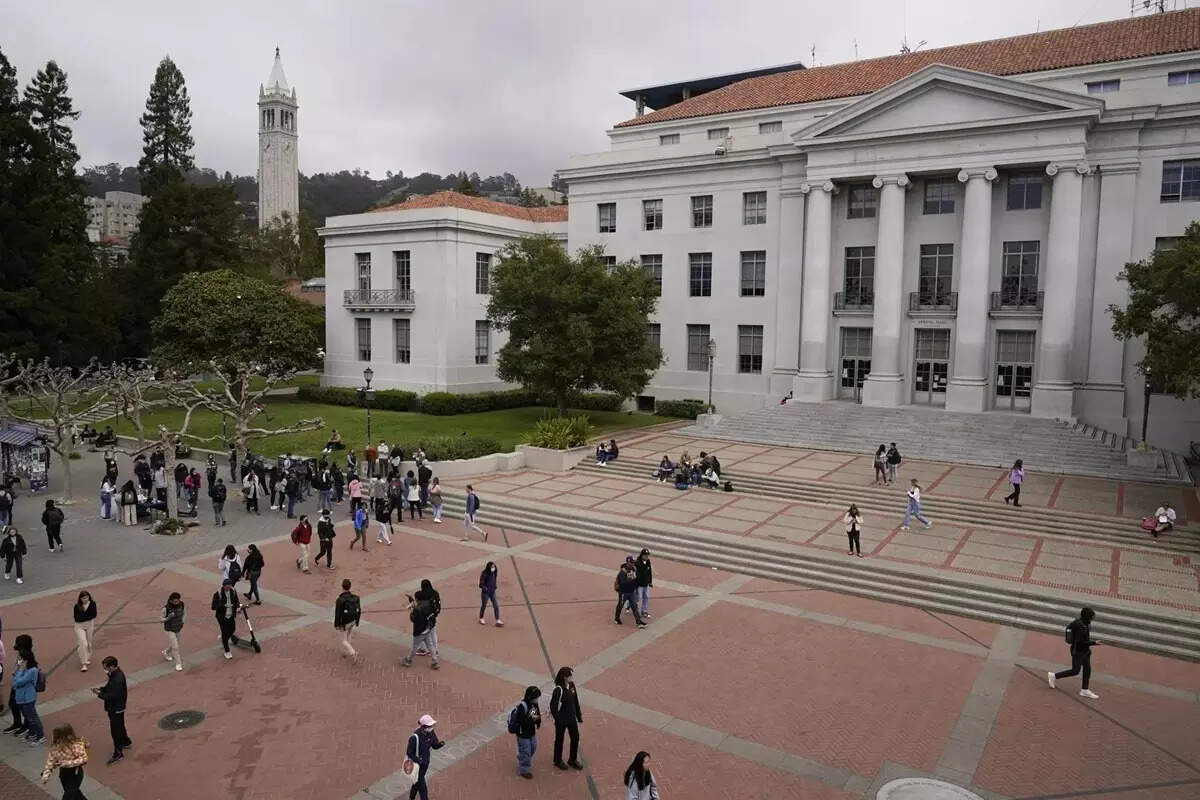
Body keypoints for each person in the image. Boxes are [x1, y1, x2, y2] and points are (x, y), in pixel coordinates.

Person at [1048, 607, 1102, 699]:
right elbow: (1080, 642)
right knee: (1075, 671)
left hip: (1085, 651)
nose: (1093, 618)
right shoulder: (1080, 626)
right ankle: (1054, 676)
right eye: (1092, 616)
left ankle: (1085, 690)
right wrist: (1094, 643)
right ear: (1088, 616)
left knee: (1087, 669)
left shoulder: (1083, 623)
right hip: (1078, 651)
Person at [93, 656, 131, 764]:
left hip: (116, 707)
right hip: (117, 706)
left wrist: (99, 694)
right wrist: (103, 689)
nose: (105, 670)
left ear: (112, 666)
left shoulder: (117, 679)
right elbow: (110, 687)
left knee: (115, 730)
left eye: (106, 668)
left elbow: (112, 696)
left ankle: (118, 752)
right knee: (120, 725)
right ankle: (125, 741)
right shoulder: (115, 674)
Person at [40, 723, 90, 799]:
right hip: (64, 775)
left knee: (68, 796)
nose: (54, 736)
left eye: (57, 735)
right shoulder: (55, 746)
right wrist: (46, 774)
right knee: (75, 794)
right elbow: (51, 760)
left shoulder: (76, 744)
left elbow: (83, 759)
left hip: (75, 774)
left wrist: (66, 763)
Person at [550, 666, 584, 771]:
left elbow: (575, 701)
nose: (571, 677)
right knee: (559, 740)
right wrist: (558, 719)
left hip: (571, 718)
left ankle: (572, 759)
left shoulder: (572, 686)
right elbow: (553, 707)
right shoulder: (558, 690)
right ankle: (557, 760)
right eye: (570, 675)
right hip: (562, 720)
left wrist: (579, 716)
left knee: (575, 737)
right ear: (564, 677)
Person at [404, 714, 444, 800]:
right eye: (429, 726)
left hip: (425, 764)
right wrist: (418, 760)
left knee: (416, 783)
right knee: (423, 788)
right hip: (417, 765)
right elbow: (409, 752)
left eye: (432, 725)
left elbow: (434, 745)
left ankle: (411, 798)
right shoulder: (414, 738)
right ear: (423, 727)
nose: (432, 727)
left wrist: (440, 745)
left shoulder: (431, 733)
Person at [400, 589, 440, 669]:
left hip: (419, 631)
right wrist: (411, 600)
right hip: (427, 630)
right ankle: (435, 661)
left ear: (418, 599)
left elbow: (413, 618)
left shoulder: (417, 610)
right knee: (430, 645)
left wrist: (412, 611)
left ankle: (408, 660)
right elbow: (416, 606)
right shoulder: (428, 605)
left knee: (414, 647)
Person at [12, 648, 44, 745]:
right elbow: (15, 680)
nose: (19, 661)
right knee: (27, 717)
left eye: (21, 659)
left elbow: (19, 681)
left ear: (26, 659)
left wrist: (20, 670)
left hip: (28, 698)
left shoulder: (32, 670)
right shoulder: (23, 669)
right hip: (21, 698)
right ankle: (32, 733)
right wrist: (18, 670)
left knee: (32, 717)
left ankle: (40, 736)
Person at [511, 685, 542, 779]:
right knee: (526, 750)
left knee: (533, 747)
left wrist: (538, 721)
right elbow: (521, 721)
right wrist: (531, 718)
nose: (537, 700)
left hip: (531, 731)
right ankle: (524, 770)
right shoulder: (522, 706)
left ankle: (523, 757)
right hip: (522, 733)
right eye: (536, 697)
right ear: (529, 697)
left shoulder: (534, 704)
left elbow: (536, 713)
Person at [211, 579, 241, 659]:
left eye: (229, 587)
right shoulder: (218, 594)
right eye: (226, 587)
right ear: (223, 586)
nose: (228, 588)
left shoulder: (233, 591)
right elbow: (213, 607)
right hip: (221, 617)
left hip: (231, 615)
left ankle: (224, 638)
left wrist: (238, 607)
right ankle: (227, 651)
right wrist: (224, 606)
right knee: (225, 633)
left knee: (232, 629)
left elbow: (236, 600)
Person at [334, 578, 361, 663]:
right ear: (350, 587)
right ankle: (347, 652)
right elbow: (359, 610)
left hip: (345, 622)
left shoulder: (340, 600)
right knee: (349, 634)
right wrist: (357, 621)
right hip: (353, 620)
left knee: (343, 640)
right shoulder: (356, 598)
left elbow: (337, 614)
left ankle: (353, 652)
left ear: (342, 587)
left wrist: (336, 624)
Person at [614, 559, 647, 628]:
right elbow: (622, 583)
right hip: (623, 592)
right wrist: (630, 579)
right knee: (620, 605)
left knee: (634, 606)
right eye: (631, 563)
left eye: (633, 563)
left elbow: (636, 579)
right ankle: (616, 618)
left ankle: (638, 621)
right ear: (627, 563)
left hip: (631, 591)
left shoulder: (634, 569)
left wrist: (636, 580)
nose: (633, 564)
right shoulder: (623, 571)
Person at [72, 592, 97, 672]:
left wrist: (84, 617)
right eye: (83, 598)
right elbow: (77, 619)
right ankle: (84, 664)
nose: (85, 599)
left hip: (90, 626)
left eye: (86, 597)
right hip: (79, 627)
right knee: (84, 643)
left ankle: (85, 656)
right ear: (80, 599)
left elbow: (94, 615)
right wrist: (88, 617)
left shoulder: (93, 604)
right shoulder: (76, 607)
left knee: (89, 644)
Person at [161, 592, 185, 672]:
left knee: (175, 643)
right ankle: (178, 663)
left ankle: (166, 652)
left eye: (178, 600)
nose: (177, 602)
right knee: (176, 647)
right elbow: (161, 620)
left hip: (178, 628)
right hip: (170, 629)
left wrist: (183, 621)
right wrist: (168, 617)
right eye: (175, 601)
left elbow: (184, 613)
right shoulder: (166, 608)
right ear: (171, 601)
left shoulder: (181, 604)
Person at [479, 561, 502, 626]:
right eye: (492, 567)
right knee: (484, 606)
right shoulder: (484, 574)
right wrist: (485, 588)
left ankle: (497, 620)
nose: (493, 568)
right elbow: (481, 584)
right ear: (489, 567)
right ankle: (481, 618)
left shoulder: (494, 572)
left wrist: (494, 586)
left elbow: (494, 580)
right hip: (485, 593)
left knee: (496, 605)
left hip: (492, 592)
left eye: (494, 567)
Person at [634, 549, 653, 618]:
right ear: (642, 555)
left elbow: (649, 572)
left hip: (646, 583)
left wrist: (650, 581)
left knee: (646, 597)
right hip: (639, 584)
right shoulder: (638, 563)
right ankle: (630, 604)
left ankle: (644, 611)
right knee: (638, 598)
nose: (647, 557)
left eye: (648, 555)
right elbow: (638, 573)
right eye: (645, 555)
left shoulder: (648, 561)